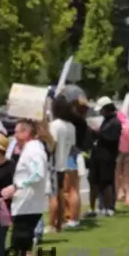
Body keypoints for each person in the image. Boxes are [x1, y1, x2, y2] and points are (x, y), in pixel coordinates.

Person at [2, 120, 49, 256]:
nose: (15, 135)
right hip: (23, 204)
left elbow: (37, 174)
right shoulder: (29, 149)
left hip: (29, 205)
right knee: (19, 245)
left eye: (18, 132)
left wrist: (16, 186)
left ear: (27, 133)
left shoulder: (35, 150)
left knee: (24, 245)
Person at [49, 99, 78, 232]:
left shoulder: (55, 125)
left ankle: (51, 224)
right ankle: (59, 223)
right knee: (60, 193)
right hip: (64, 163)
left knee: (53, 195)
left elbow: (52, 144)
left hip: (54, 163)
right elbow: (72, 147)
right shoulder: (71, 126)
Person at [90, 97, 121, 217]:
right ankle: (100, 206)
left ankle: (109, 207)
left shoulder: (115, 122)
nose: (100, 112)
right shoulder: (106, 121)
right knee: (97, 181)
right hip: (100, 156)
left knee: (107, 181)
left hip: (108, 157)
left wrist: (98, 133)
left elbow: (112, 138)